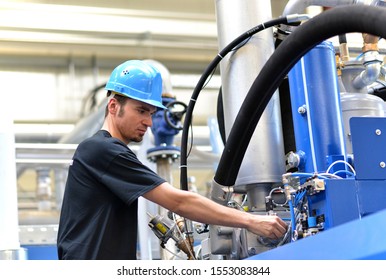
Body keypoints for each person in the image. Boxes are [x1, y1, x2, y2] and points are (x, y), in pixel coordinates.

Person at [57, 59, 287, 260]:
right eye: (141, 110)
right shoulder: (101, 150)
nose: (148, 121)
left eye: (151, 113)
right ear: (114, 106)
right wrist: (252, 221)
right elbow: (179, 202)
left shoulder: (106, 152)